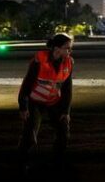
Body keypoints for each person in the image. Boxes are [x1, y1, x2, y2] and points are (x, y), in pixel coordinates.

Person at [17, 32, 74, 172]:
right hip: (34, 102)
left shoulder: (69, 62)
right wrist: (23, 107)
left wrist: (65, 111)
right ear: (56, 49)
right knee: (29, 136)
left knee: (63, 131)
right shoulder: (40, 60)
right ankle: (21, 164)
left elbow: (67, 88)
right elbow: (27, 84)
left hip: (53, 102)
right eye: (67, 48)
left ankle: (57, 163)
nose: (70, 51)